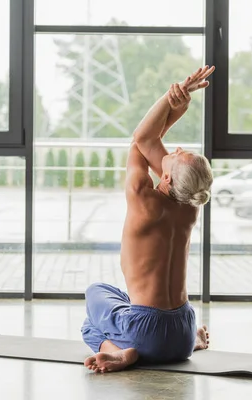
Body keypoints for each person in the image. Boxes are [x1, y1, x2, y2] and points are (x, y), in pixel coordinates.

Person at [81, 65, 216, 373]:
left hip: (146, 333)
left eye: (179, 154)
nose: (177, 148)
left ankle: (120, 351)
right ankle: (190, 338)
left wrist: (171, 101)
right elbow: (150, 142)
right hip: (183, 331)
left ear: (166, 178)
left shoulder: (143, 196)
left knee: (94, 302)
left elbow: (140, 139)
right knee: (125, 298)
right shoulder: (189, 206)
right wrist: (178, 107)